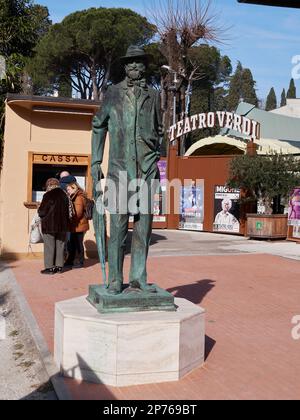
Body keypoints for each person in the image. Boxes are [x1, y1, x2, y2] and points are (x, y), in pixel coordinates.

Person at [91, 45, 163, 295]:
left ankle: (139, 277)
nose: (134, 66)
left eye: (139, 63)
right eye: (130, 63)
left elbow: (159, 130)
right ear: (124, 67)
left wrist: (154, 153)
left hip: (146, 169)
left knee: (143, 228)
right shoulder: (112, 93)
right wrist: (96, 161)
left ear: (145, 66)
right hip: (120, 171)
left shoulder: (154, 96)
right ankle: (114, 279)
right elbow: (98, 125)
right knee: (118, 229)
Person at [38, 178, 70, 275]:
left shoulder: (48, 195)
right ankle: (59, 267)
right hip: (63, 225)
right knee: (60, 245)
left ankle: (49, 268)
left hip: (49, 225)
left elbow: (42, 211)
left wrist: (39, 210)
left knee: (49, 246)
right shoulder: (65, 195)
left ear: (48, 185)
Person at [64, 182, 89, 269]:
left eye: (68, 189)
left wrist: (69, 218)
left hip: (79, 225)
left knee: (78, 244)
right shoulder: (75, 196)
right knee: (73, 243)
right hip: (76, 225)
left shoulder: (78, 197)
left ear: (74, 188)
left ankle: (80, 262)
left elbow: (78, 213)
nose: (67, 191)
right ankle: (71, 260)